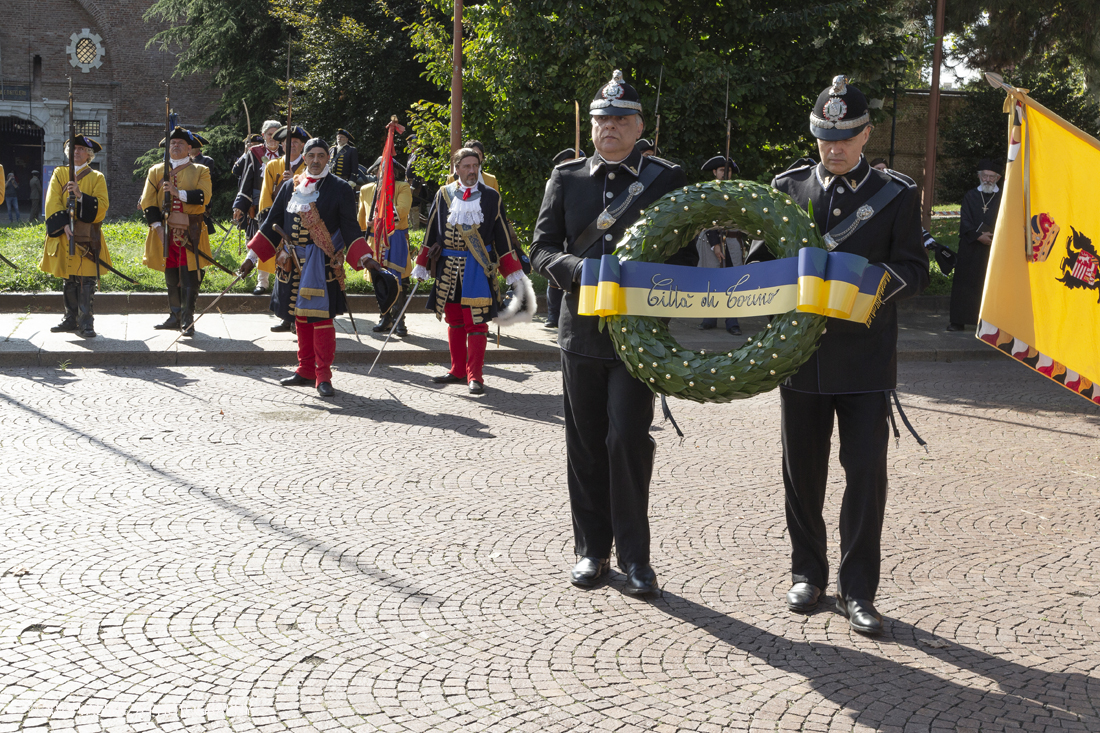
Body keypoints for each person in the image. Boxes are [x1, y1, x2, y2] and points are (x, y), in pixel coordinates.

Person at [750, 75, 929, 634]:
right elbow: (763, 259)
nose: (835, 146)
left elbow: (915, 269)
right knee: (802, 475)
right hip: (801, 359)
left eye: (847, 135)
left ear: (866, 134)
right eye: (826, 135)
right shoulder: (789, 188)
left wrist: (862, 288)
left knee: (865, 476)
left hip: (864, 360)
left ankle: (859, 591)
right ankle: (808, 573)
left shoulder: (896, 194)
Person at [530, 69, 695, 597]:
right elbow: (541, 250)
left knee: (626, 439)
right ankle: (592, 552)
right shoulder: (568, 178)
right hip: (581, 332)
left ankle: (636, 556)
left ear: (639, 125)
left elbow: (687, 254)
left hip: (638, 338)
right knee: (584, 444)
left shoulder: (666, 179)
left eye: (621, 120)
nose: (610, 129)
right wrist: (577, 270)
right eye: (603, 120)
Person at [239, 138, 369, 398]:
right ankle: (305, 370)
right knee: (299, 318)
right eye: (312, 155)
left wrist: (366, 259)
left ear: (327, 158)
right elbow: (272, 224)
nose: (316, 160)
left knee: (320, 320)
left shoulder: (340, 188)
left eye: (321, 155)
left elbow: (350, 229)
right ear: (305, 157)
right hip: (291, 263)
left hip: (322, 264)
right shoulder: (290, 186)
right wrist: (252, 258)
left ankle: (323, 376)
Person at [411, 147, 525, 394]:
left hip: (478, 267)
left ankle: (475, 375)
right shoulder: (444, 194)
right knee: (454, 321)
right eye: (467, 166)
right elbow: (431, 230)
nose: (472, 170)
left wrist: (512, 272)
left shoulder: (491, 196)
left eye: (476, 165)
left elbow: (502, 237)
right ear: (456, 169)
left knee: (477, 323)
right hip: (448, 267)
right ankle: (457, 370)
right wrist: (421, 263)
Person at [140, 127, 214, 337]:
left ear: (189, 148)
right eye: (172, 143)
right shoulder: (156, 171)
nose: (175, 146)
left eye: (180, 143)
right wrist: (157, 228)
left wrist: (176, 192)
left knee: (190, 273)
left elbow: (204, 198)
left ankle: (187, 319)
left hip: (191, 230)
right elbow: (147, 201)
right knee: (171, 272)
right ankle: (175, 315)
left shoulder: (201, 170)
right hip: (165, 230)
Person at [39, 136, 110, 338]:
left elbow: (102, 206)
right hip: (65, 234)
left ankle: (86, 322)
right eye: (72, 148)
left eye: (81, 149)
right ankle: (70, 318)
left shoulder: (97, 177)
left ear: (89, 154)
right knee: (69, 278)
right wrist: (63, 224)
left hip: (87, 236)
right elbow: (52, 200)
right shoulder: (60, 173)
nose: (76, 152)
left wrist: (80, 195)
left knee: (86, 280)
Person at [257, 125, 310, 332]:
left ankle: (301, 318)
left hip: (304, 230)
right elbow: (265, 199)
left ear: (303, 145)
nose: (292, 145)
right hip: (281, 227)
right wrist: (269, 225)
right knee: (284, 273)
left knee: (303, 274)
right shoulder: (273, 166)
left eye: (296, 142)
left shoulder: (309, 168)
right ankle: (286, 317)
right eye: (288, 142)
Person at [359, 156, 413, 336]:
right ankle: (385, 316)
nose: (384, 173)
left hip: (395, 239)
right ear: (375, 171)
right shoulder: (366, 190)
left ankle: (399, 319)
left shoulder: (402, 187)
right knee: (379, 281)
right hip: (374, 241)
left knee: (400, 281)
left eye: (389, 169)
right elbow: (361, 220)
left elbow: (402, 210)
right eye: (381, 169)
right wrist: (367, 225)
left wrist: (381, 219)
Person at [948, 159, 1002, 331]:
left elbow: (1006, 220)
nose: (987, 179)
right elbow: (964, 221)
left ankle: (988, 323)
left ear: (998, 178)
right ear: (979, 176)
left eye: (991, 176)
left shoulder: (1003, 197)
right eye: (984, 175)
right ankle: (958, 321)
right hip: (970, 247)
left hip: (993, 247)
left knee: (989, 284)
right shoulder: (970, 196)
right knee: (965, 283)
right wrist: (978, 236)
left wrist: (992, 237)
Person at [233, 120, 282, 296]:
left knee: (283, 244)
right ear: (263, 136)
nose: (273, 138)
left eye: (276, 134)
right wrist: (240, 205)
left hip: (283, 204)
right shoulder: (255, 152)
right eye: (269, 134)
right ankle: (263, 282)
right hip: (260, 204)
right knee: (261, 241)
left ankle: (282, 281)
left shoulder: (288, 151)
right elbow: (246, 180)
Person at [696, 154, 744, 335]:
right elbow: (707, 218)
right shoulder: (708, 191)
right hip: (711, 239)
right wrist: (715, 244)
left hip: (732, 240)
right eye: (723, 170)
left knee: (732, 281)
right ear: (715, 172)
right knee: (712, 280)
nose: (726, 174)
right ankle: (709, 318)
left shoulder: (738, 191)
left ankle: (732, 322)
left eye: (729, 171)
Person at [543, 148, 586, 329]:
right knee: (555, 275)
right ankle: (553, 315)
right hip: (560, 233)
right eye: (565, 163)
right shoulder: (555, 181)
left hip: (582, 235)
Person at [188, 133, 217, 237]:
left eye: (192, 147)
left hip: (201, 198)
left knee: (201, 228)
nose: (190, 149)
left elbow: (206, 184)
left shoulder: (207, 161)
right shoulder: (184, 161)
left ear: (198, 148)